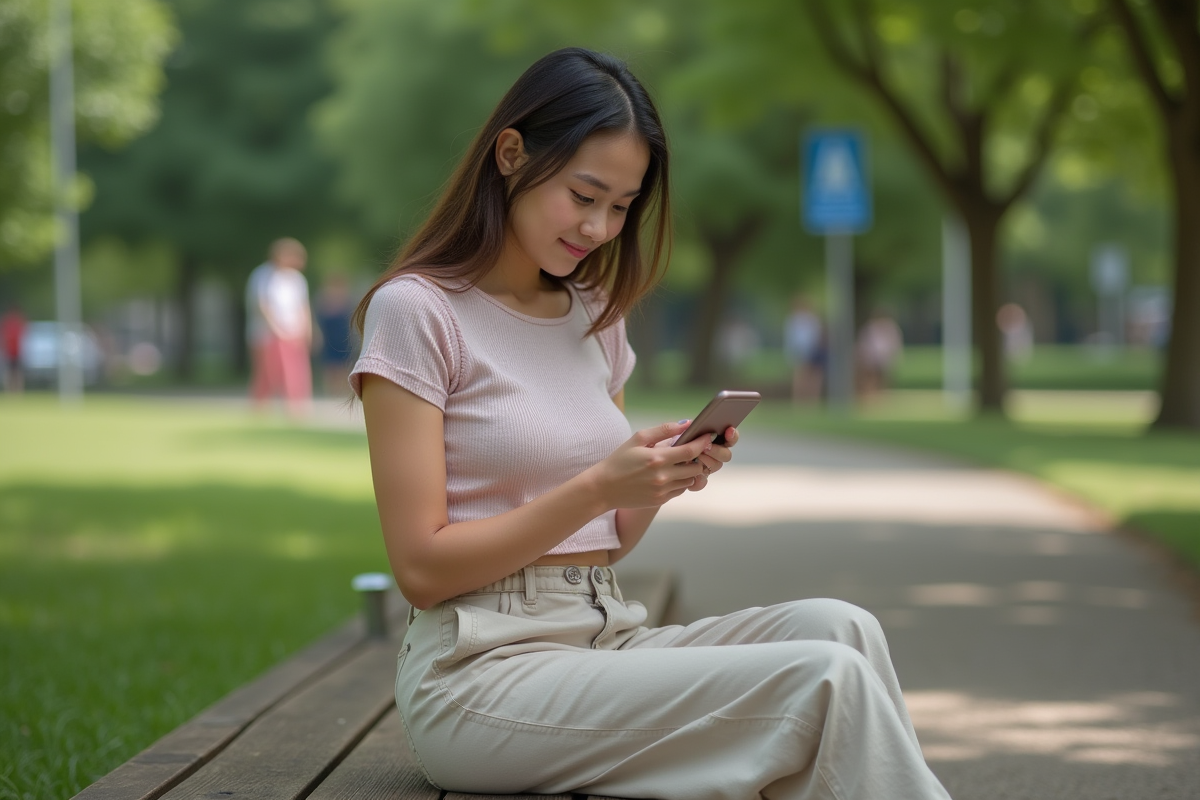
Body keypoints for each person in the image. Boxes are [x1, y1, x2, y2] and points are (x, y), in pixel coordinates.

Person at [351, 48, 950, 800]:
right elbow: (421, 569)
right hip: (481, 674)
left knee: (843, 629)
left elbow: (606, 535)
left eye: (624, 205)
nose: (601, 227)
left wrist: (654, 483)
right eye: (585, 195)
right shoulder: (418, 312)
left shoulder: (595, 318)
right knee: (822, 680)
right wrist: (600, 484)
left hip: (604, 634)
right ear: (511, 154)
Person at [245, 238, 313, 416]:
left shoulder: (297, 279)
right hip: (267, 334)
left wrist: (307, 329)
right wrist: (277, 330)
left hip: (293, 333)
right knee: (268, 372)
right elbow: (263, 305)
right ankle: (260, 407)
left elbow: (302, 307)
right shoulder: (263, 275)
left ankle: (296, 407)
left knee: (295, 370)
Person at [314, 272, 356, 397]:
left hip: (343, 337)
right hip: (328, 337)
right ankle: (332, 391)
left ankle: (343, 391)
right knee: (330, 365)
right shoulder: (322, 300)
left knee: (344, 364)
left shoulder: (348, 300)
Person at [784, 295, 823, 404]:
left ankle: (812, 400)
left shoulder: (813, 319)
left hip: (813, 350)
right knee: (800, 375)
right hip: (799, 351)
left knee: (814, 376)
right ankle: (799, 400)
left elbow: (817, 335)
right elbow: (791, 338)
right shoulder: (793, 320)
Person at [856, 310, 903, 399]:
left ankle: (879, 395)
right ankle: (871, 394)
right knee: (871, 377)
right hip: (871, 358)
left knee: (882, 377)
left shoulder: (890, 328)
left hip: (883, 358)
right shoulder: (869, 327)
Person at [2, 304, 26, 393]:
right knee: (10, 373)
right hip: (10, 352)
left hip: (17, 352)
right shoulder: (8, 322)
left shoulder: (18, 321)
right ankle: (10, 390)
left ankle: (17, 391)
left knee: (16, 373)